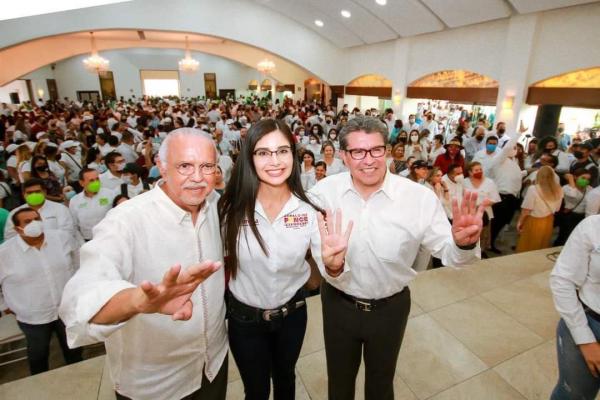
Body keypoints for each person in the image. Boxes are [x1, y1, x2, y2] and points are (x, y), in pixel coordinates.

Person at [309, 115, 482, 400]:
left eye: (376, 150)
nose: (369, 160)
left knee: (381, 383)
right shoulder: (324, 193)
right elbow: (319, 252)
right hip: (338, 304)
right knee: (339, 382)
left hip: (389, 308)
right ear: (343, 156)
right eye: (358, 152)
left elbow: (451, 255)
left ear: (387, 151)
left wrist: (464, 244)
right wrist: (334, 267)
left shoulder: (418, 198)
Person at [59, 128, 228, 400]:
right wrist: (136, 301)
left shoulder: (215, 204)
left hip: (213, 364)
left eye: (207, 166)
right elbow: (80, 297)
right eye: (185, 166)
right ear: (161, 166)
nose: (197, 177)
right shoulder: (126, 220)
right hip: (156, 384)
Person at [219, 119, 323, 400]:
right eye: (263, 152)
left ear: (294, 154)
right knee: (256, 391)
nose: (275, 161)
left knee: (286, 380)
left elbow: (323, 271)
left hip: (292, 315)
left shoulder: (308, 210)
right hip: (244, 320)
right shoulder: (230, 209)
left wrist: (333, 263)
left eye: (283, 151)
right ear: (250, 157)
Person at [0, 208, 82, 375]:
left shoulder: (61, 238)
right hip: (33, 316)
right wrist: (4, 306)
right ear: (17, 229)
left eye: (36, 219)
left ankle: (79, 378)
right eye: (27, 222)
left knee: (74, 348)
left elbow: (78, 261)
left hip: (66, 309)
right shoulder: (5, 253)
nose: (34, 224)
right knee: (38, 353)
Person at [549, 215, 600, 399]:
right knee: (573, 394)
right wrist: (585, 340)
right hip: (591, 324)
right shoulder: (593, 226)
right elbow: (563, 279)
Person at [4, 178, 75, 241]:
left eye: (37, 191)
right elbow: (10, 237)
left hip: (57, 247)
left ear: (44, 192)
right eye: (29, 193)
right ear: (23, 194)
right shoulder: (15, 213)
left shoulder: (60, 209)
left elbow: (67, 232)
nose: (34, 195)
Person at [516, 166, 563, 252]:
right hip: (549, 220)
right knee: (541, 244)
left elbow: (526, 210)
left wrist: (520, 222)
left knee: (528, 246)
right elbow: (557, 209)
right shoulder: (559, 189)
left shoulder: (533, 189)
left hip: (533, 221)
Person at [463, 162, 501, 256]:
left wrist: (483, 204)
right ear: (470, 172)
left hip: (485, 212)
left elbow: (495, 198)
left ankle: (481, 250)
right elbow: (460, 197)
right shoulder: (464, 182)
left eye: (480, 169)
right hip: (469, 213)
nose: (479, 172)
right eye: (476, 170)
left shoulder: (489, 182)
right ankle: (469, 251)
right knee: (470, 233)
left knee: (483, 233)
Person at [68, 168, 116, 242]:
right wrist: (82, 243)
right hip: (88, 240)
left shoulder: (110, 194)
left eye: (97, 179)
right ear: (81, 183)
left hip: (110, 238)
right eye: (91, 180)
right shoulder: (75, 201)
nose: (96, 182)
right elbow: (74, 226)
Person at [554, 169, 592, 246]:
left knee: (576, 238)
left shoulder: (589, 188)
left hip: (582, 216)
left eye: (588, 179)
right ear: (575, 177)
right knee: (564, 237)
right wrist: (570, 179)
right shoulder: (566, 188)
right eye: (583, 178)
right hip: (570, 216)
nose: (586, 181)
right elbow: (573, 195)